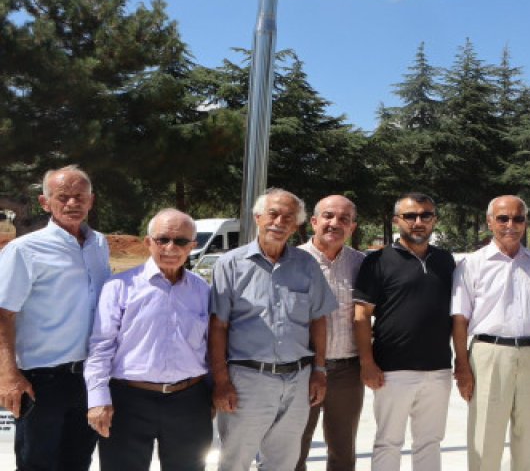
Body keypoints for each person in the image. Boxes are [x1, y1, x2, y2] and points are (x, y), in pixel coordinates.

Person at [209, 188, 337, 471]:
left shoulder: (306, 265)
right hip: (247, 380)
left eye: (288, 217)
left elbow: (318, 320)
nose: (279, 222)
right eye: (273, 214)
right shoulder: (230, 265)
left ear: (296, 225)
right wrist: (221, 381)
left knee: (283, 462)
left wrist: (319, 370)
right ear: (258, 218)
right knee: (234, 461)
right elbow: (218, 326)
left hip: (298, 380)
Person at [0, 165, 111, 470]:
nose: (72, 203)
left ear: (91, 201)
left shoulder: (99, 244)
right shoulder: (24, 250)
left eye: (80, 196)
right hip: (41, 382)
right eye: (63, 197)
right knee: (37, 464)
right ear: (45, 203)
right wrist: (7, 375)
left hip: (89, 378)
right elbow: (3, 313)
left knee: (77, 461)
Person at [84, 208, 212, 470]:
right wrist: (98, 399)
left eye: (180, 241)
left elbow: (211, 347)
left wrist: (212, 393)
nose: (170, 248)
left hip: (189, 402)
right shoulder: (119, 287)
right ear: (148, 242)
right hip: (129, 401)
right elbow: (101, 347)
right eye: (162, 239)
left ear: (192, 246)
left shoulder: (203, 290)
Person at [451, 196, 530, 471]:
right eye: (503, 218)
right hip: (489, 356)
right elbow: (459, 320)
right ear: (490, 222)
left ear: (526, 223)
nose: (510, 225)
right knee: (485, 440)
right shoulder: (471, 265)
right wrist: (462, 366)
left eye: (518, 219)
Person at [354, 193, 456, 471]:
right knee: (388, 442)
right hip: (392, 370)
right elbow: (361, 316)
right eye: (410, 216)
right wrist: (367, 363)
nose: (418, 221)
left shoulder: (446, 261)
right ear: (396, 220)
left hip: (438, 369)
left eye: (426, 215)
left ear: (434, 220)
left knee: (430, 442)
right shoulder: (377, 261)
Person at [296, 195, 365, 471]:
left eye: (344, 219)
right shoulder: (293, 261)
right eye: (328, 216)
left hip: (348, 370)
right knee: (294, 447)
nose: (335, 223)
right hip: (301, 370)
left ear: (352, 227)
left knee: (343, 451)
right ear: (314, 221)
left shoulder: (362, 264)